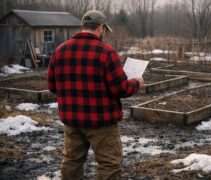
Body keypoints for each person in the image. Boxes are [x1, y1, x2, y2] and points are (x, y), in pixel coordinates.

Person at [47, 10, 144, 180]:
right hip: (102, 123)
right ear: (100, 27)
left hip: (72, 121)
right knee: (109, 165)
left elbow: (52, 87)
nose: (103, 33)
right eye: (104, 30)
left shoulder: (59, 51)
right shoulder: (107, 53)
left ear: (83, 26)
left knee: (71, 162)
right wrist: (136, 82)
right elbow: (121, 89)